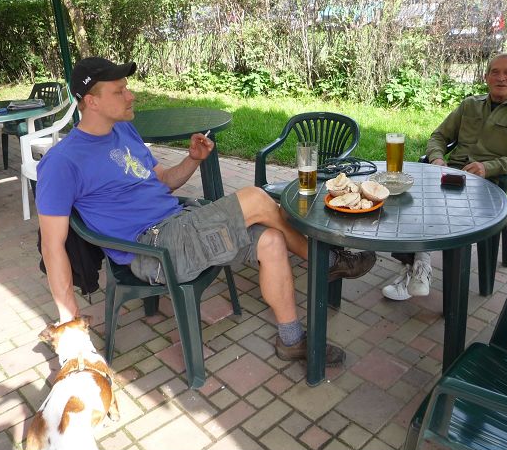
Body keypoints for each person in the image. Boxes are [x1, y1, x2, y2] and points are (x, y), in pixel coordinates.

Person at [36, 57, 376, 366]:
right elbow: (53, 247)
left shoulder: (123, 131)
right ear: (92, 101)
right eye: (119, 91)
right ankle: (326, 262)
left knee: (271, 240)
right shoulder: (62, 162)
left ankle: (291, 340)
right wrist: (70, 321)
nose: (131, 95)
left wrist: (192, 160)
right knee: (256, 199)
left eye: (127, 87)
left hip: (180, 225)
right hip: (152, 250)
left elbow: (163, 182)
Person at [382, 53, 507, 301]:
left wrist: (489, 167)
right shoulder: (470, 105)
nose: (500, 78)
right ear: (486, 77)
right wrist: (437, 159)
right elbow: (439, 136)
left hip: (487, 183)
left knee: (442, 210)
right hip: (451, 173)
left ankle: (419, 265)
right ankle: (418, 265)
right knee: (407, 200)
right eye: (495, 72)